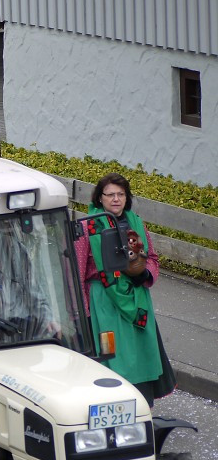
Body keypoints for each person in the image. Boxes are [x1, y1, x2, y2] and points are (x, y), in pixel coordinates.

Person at [75, 173, 175, 405]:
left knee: (141, 355)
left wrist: (145, 273)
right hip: (104, 301)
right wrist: (81, 313)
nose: (116, 199)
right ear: (100, 198)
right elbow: (77, 271)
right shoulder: (86, 228)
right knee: (113, 357)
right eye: (110, 194)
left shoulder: (137, 223)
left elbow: (152, 258)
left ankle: (141, 406)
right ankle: (114, 407)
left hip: (137, 297)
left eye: (121, 194)